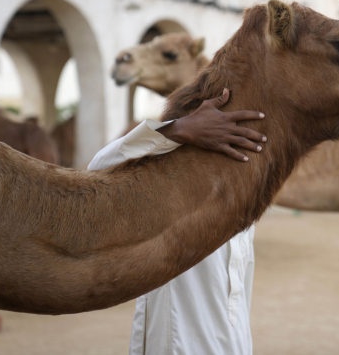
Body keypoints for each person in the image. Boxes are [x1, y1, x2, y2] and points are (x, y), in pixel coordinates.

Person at [89, 89, 266, 355]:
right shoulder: (164, 188)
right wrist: (178, 129)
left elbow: (238, 300)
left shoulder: (243, 203)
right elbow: (96, 171)